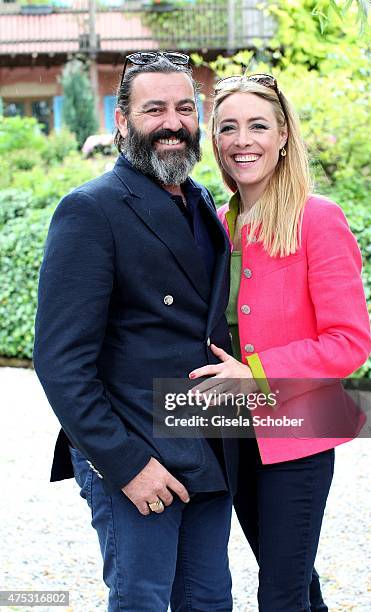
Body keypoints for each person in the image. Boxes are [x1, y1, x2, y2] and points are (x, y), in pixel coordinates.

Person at [33, 52, 238, 612]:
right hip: (133, 451)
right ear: (121, 120)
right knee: (141, 599)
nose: (173, 122)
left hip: (204, 441)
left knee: (210, 600)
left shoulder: (202, 203)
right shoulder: (90, 210)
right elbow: (59, 361)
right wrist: (126, 465)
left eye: (184, 108)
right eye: (154, 109)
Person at [189, 74, 371, 611]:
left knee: (280, 594)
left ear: (284, 134)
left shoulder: (319, 219)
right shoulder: (216, 223)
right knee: (291, 580)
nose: (242, 140)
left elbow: (348, 343)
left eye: (258, 125)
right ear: (215, 140)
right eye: (228, 127)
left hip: (300, 432)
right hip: (231, 432)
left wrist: (258, 373)